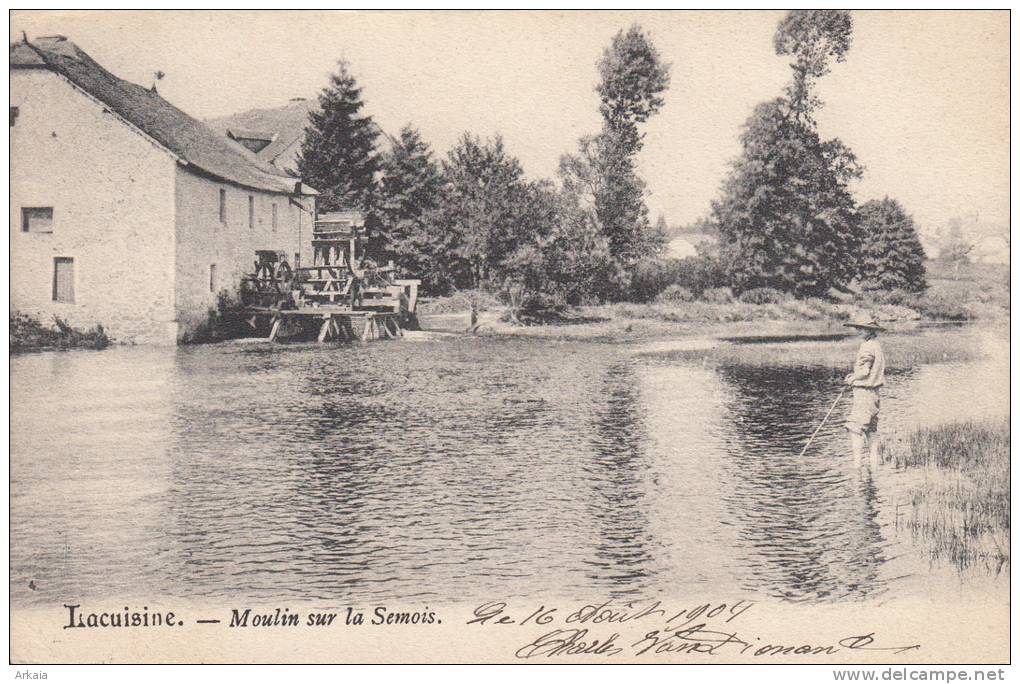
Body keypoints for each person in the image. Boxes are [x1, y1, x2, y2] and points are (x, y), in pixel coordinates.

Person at [843, 314, 886, 469]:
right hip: (874, 394)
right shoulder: (876, 345)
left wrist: (852, 378)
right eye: (858, 327)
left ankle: (856, 467)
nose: (858, 330)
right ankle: (873, 466)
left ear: (870, 330)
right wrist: (854, 376)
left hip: (864, 394)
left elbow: (865, 371)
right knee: (870, 430)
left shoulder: (867, 346)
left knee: (855, 429)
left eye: (863, 328)